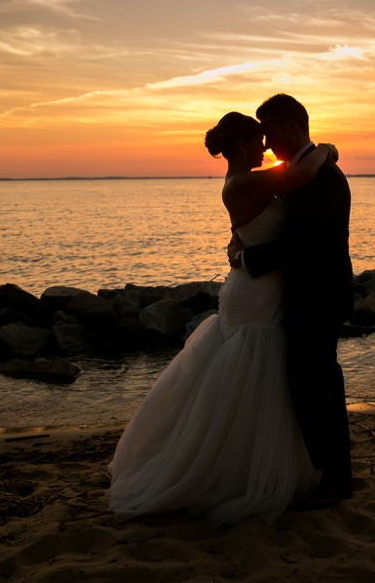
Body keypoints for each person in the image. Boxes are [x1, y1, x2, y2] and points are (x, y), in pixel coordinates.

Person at [107, 111, 332, 526]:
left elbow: (260, 225)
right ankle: (234, 474)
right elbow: (302, 175)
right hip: (256, 296)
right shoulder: (244, 182)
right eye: (258, 141)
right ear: (242, 146)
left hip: (258, 288)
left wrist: (240, 247)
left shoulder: (244, 182)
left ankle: (243, 465)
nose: (266, 147)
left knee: (250, 385)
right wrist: (325, 150)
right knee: (253, 379)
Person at [230, 94, 355, 509]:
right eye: (259, 136)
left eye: (269, 132)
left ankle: (335, 479)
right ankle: (338, 474)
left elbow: (303, 245)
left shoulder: (321, 177)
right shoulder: (304, 172)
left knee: (312, 386)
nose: (266, 143)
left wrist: (248, 258)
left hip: (318, 293)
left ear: (290, 125)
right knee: (320, 383)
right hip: (309, 293)